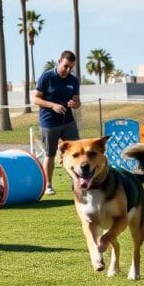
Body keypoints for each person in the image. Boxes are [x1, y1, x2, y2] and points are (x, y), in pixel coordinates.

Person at [32, 50, 81, 195]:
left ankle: (77, 183)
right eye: (65, 66)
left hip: (68, 122)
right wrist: (53, 105)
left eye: (71, 67)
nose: (67, 70)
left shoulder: (73, 80)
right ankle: (48, 185)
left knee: (76, 152)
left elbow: (77, 101)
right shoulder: (46, 77)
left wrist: (75, 103)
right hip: (49, 123)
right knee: (50, 154)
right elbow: (35, 99)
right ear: (59, 61)